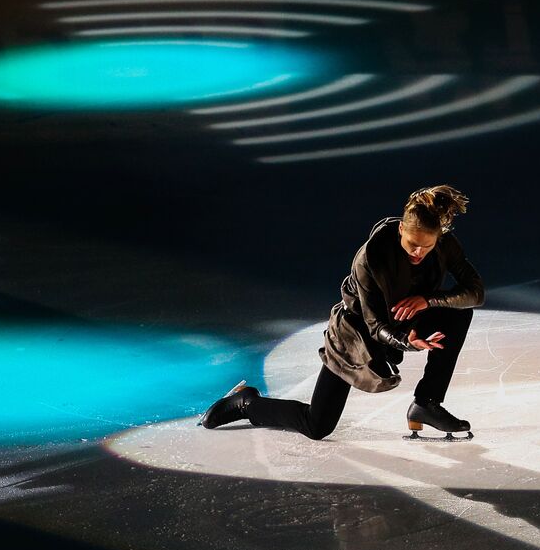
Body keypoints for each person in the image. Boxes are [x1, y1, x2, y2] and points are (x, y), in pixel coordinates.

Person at [198, 184, 483, 440]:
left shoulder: (445, 246)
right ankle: (247, 403)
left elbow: (475, 293)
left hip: (404, 317)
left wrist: (428, 300)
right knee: (317, 425)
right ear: (400, 231)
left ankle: (427, 403)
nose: (419, 252)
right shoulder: (370, 257)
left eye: (427, 246)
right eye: (412, 244)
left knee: (458, 313)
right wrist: (408, 342)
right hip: (356, 331)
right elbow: (375, 326)